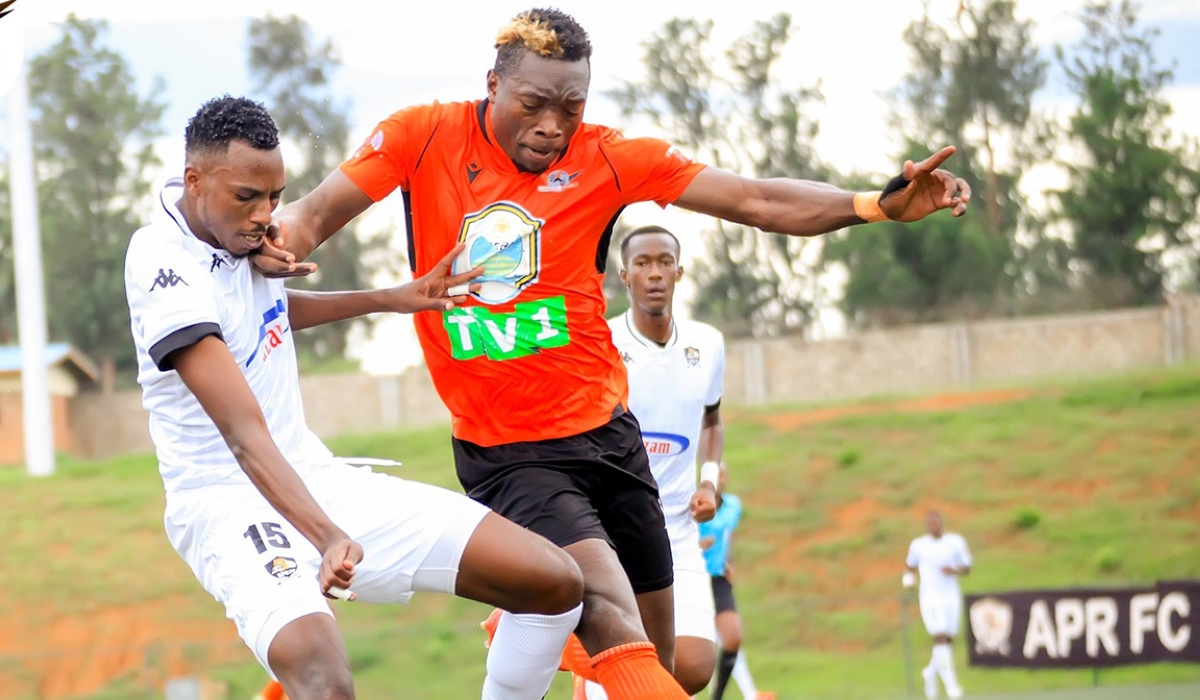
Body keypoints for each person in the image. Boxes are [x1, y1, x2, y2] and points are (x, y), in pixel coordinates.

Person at [251, 8, 971, 697]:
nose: (553, 126)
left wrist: (872, 205)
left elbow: (755, 201)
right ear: (493, 84)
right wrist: (272, 248)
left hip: (610, 439)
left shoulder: (608, 158)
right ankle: (543, 610)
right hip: (510, 455)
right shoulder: (423, 136)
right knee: (607, 610)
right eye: (534, 103)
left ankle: (532, 618)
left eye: (571, 107)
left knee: (661, 663)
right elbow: (311, 216)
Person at [126, 95, 587, 700]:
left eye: (276, 197)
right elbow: (243, 434)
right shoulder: (160, 259)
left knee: (553, 581)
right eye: (248, 197)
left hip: (313, 476)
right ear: (194, 180)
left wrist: (390, 297)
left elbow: (264, 314)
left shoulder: (236, 236)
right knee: (324, 680)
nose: (266, 215)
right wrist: (327, 536)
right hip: (228, 503)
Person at [563, 225, 724, 700]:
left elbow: (713, 420)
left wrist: (710, 483)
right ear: (624, 276)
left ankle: (586, 674)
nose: (654, 273)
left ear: (679, 271)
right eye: (642, 264)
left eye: (663, 262)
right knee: (633, 672)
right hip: (615, 534)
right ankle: (587, 675)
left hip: (678, 530)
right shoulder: (601, 344)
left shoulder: (709, 344)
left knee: (692, 667)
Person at [699, 464, 773, 700]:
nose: (719, 479)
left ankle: (718, 696)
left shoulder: (733, 507)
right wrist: (697, 547)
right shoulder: (693, 508)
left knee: (732, 636)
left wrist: (728, 560)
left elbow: (727, 535)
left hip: (718, 578)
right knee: (695, 645)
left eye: (722, 474)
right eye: (714, 474)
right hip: (692, 578)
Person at [903, 511, 972, 700]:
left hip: (951, 596)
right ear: (926, 526)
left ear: (941, 523)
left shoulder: (955, 542)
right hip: (930, 598)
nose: (933, 526)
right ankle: (952, 687)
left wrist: (954, 570)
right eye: (930, 523)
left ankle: (931, 672)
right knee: (939, 636)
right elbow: (910, 566)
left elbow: (967, 567)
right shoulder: (918, 545)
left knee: (948, 640)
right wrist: (908, 582)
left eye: (936, 522)